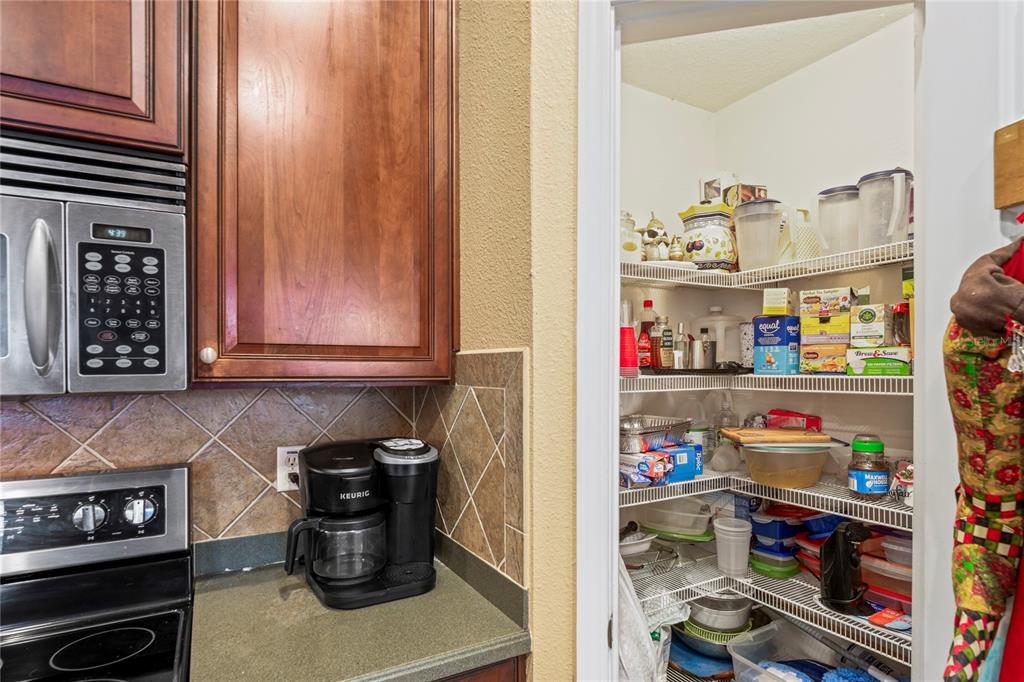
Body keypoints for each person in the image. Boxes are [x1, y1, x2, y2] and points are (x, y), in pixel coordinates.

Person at [945, 239, 1024, 680]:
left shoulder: (966, 314)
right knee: (981, 645)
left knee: (971, 644)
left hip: (977, 509)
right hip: (999, 512)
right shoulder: (1006, 337)